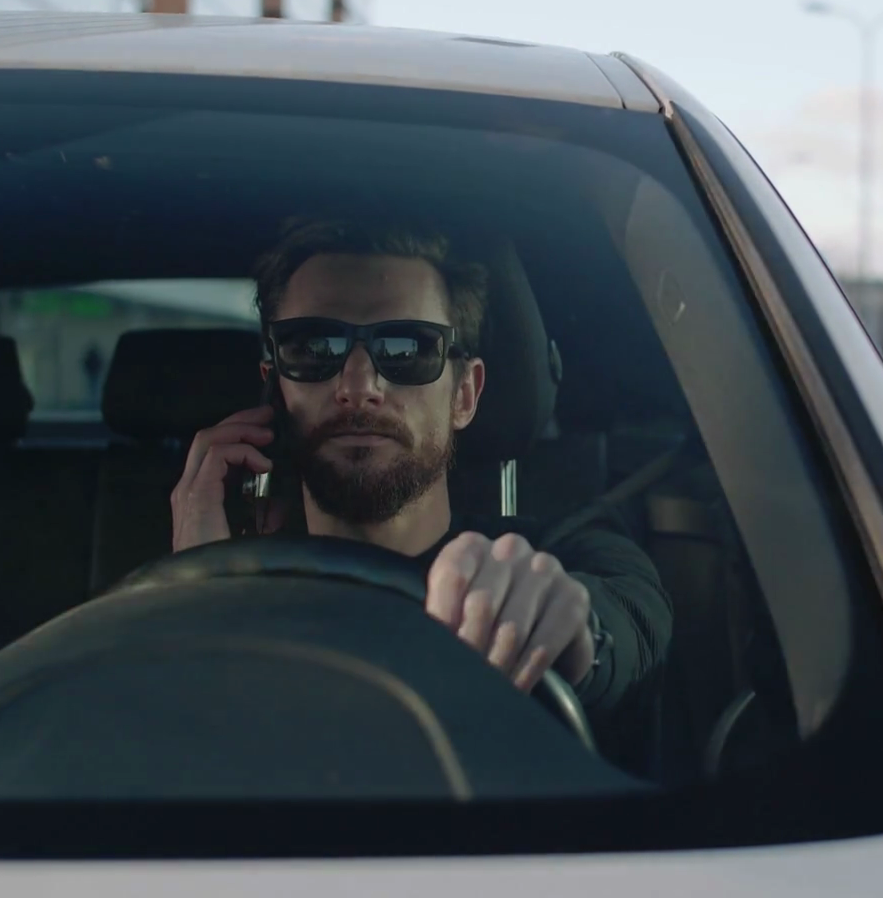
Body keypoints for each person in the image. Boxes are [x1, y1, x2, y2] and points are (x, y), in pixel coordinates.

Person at [170, 220, 671, 746]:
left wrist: (567, 631)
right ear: (275, 388)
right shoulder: (204, 570)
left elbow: (631, 627)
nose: (358, 387)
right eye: (315, 347)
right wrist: (193, 597)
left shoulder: (566, 550)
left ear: (465, 395)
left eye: (407, 348)